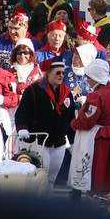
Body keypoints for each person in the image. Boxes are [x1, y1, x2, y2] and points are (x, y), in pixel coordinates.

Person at [15, 56, 75, 188]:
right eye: (58, 72)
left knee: (51, 180)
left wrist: (73, 140)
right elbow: (22, 112)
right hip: (40, 141)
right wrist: (22, 128)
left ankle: (47, 204)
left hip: (58, 143)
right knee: (42, 178)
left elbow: (71, 119)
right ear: (48, 73)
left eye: (63, 73)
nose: (61, 76)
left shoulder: (66, 92)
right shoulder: (34, 90)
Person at [67, 59, 110, 195]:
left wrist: (73, 123)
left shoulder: (97, 96)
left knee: (94, 168)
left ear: (96, 77)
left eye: (89, 77)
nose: (86, 80)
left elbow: (86, 121)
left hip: (96, 137)